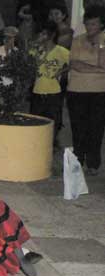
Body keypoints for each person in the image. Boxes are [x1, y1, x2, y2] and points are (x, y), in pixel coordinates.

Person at [66, 5, 105, 176]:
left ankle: (93, 164)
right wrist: (96, 69)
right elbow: (74, 64)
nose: (90, 28)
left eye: (94, 24)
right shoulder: (77, 40)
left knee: (95, 128)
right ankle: (78, 161)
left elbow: (103, 64)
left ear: (101, 24)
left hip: (99, 91)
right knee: (78, 128)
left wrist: (100, 45)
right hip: (76, 90)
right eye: (88, 24)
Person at [30, 21, 69, 149]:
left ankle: (51, 146)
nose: (41, 36)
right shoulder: (35, 50)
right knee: (35, 122)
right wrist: (36, 48)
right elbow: (29, 65)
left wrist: (61, 71)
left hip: (54, 92)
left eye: (44, 33)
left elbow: (74, 62)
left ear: (51, 35)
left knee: (53, 122)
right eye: (40, 33)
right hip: (37, 91)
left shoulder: (61, 51)